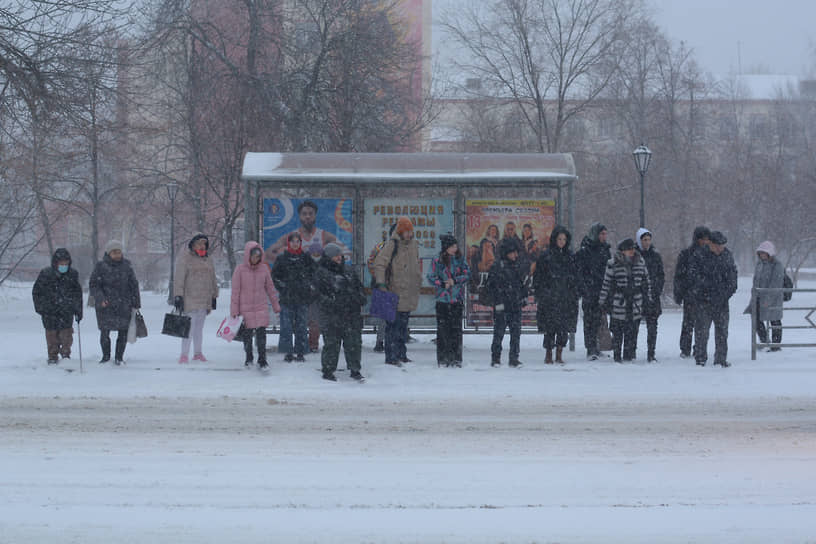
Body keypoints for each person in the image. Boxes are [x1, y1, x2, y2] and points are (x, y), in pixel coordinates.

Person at [313, 243, 366, 382]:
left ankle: (355, 370)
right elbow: (317, 295)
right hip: (332, 315)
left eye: (340, 255)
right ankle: (328, 371)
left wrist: (358, 298)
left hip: (351, 314)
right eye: (335, 255)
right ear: (329, 257)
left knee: (353, 343)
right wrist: (332, 302)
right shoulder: (321, 272)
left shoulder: (348, 270)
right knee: (331, 344)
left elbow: (359, 289)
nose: (338, 257)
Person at [373, 216, 421, 367]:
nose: (409, 234)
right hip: (394, 291)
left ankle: (401, 354)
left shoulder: (414, 245)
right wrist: (381, 284)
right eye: (406, 231)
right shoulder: (392, 244)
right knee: (393, 326)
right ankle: (391, 356)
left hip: (409, 291)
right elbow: (379, 264)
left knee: (403, 325)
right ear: (400, 231)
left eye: (410, 231)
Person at [689, 231, 737, 367]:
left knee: (722, 332)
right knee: (702, 332)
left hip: (722, 302)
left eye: (722, 246)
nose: (720, 248)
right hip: (704, 301)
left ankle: (720, 359)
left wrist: (726, 293)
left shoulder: (727, 256)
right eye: (718, 246)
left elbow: (733, 278)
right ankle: (700, 358)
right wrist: (705, 292)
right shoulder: (699, 256)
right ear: (711, 244)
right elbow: (693, 277)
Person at [598, 238, 651, 363]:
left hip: (635, 301)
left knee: (633, 331)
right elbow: (606, 284)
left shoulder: (640, 261)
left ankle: (630, 355)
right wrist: (602, 301)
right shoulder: (612, 263)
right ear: (622, 251)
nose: (632, 251)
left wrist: (648, 299)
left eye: (633, 248)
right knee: (617, 331)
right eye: (629, 249)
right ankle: (617, 355)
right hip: (619, 301)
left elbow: (646, 282)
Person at [89, 240, 141, 365]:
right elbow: (94, 285)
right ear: (109, 253)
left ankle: (119, 357)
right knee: (105, 332)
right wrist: (101, 299)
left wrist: (136, 302)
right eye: (114, 252)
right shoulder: (100, 267)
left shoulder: (127, 266)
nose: (117, 254)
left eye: (119, 252)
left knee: (123, 332)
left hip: (124, 305)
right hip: (105, 306)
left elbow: (134, 284)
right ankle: (106, 357)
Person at [533, 226, 579, 365]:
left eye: (564, 239)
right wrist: (542, 292)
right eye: (559, 239)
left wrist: (574, 291)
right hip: (550, 298)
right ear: (554, 239)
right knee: (550, 327)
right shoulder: (546, 256)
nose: (562, 242)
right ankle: (548, 353)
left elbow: (575, 276)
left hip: (565, 298)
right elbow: (538, 277)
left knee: (563, 328)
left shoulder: (570, 257)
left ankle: (559, 352)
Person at [230, 241, 280, 369]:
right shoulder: (239, 270)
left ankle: (262, 359)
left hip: (260, 307)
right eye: (253, 256)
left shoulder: (263, 269)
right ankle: (249, 358)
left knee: (261, 335)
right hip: (245, 309)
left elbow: (270, 288)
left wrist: (276, 305)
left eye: (258, 256)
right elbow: (235, 292)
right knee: (247, 336)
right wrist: (234, 311)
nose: (256, 259)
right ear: (248, 255)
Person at [32, 248, 83, 365]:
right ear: (55, 263)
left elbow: (77, 294)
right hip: (49, 312)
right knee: (52, 337)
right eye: (61, 263)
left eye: (66, 263)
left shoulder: (73, 275)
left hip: (66, 311)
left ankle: (66, 356)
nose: (64, 266)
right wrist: (41, 308)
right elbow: (36, 292)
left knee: (67, 337)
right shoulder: (45, 274)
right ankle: (52, 357)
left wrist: (78, 311)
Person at [173, 233, 219, 364]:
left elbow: (213, 278)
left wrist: (214, 295)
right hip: (190, 298)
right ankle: (184, 354)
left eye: (204, 243)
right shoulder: (185, 258)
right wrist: (178, 296)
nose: (202, 245)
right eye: (199, 243)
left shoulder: (208, 259)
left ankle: (198, 353)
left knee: (199, 329)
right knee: (189, 328)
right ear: (193, 244)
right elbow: (179, 278)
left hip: (204, 299)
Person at [272, 232, 316, 362]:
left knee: (301, 326)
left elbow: (314, 275)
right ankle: (288, 352)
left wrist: (308, 287)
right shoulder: (282, 258)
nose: (295, 244)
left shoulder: (306, 258)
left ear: (301, 243)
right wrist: (283, 287)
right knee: (286, 327)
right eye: (293, 241)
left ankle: (301, 352)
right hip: (286, 299)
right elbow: (275, 277)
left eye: (298, 241)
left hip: (302, 299)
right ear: (288, 243)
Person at [427, 233, 470, 368]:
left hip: (456, 300)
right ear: (446, 247)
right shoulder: (437, 261)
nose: (454, 249)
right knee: (443, 330)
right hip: (442, 301)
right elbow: (430, 276)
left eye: (455, 246)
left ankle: (456, 358)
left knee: (456, 331)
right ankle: (443, 358)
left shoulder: (460, 259)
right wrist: (441, 283)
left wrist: (455, 280)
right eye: (452, 246)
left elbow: (467, 274)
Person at [487, 238, 526, 368]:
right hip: (501, 305)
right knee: (499, 332)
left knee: (516, 333)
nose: (515, 255)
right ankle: (496, 358)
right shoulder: (497, 266)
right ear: (506, 253)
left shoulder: (517, 265)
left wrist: (523, 297)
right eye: (513, 253)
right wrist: (498, 300)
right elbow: (490, 286)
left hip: (515, 304)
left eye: (516, 252)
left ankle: (514, 358)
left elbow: (521, 285)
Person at [575, 222, 611, 360]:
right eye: (602, 234)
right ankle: (590, 348)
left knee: (598, 320)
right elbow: (580, 271)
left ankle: (596, 346)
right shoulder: (586, 250)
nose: (604, 236)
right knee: (589, 320)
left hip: (601, 290)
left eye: (605, 234)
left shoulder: (605, 250)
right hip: (590, 291)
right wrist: (584, 288)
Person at [673, 226, 711, 359]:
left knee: (701, 323)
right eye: (703, 239)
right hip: (690, 294)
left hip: (703, 294)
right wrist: (679, 292)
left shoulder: (709, 255)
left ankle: (698, 347)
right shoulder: (687, 254)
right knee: (688, 323)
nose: (705, 242)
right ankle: (685, 348)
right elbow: (679, 275)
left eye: (707, 239)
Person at [367, 224, 397, 353]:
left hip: (396, 285)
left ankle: (395, 341)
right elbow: (371, 263)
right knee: (384, 316)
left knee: (396, 315)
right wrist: (381, 280)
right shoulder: (381, 247)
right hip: (383, 286)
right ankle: (381, 341)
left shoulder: (405, 249)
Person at [636, 228, 665, 362]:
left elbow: (660, 275)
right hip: (637, 296)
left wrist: (656, 290)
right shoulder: (634, 255)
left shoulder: (655, 255)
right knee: (633, 326)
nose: (647, 242)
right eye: (644, 240)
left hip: (652, 296)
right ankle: (630, 352)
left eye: (648, 240)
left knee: (652, 326)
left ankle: (651, 353)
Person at [751, 240, 784, 352]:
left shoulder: (777, 265)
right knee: (755, 319)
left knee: (774, 320)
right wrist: (754, 295)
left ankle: (775, 345)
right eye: (760, 253)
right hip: (758, 297)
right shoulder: (759, 264)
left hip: (773, 298)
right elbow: (756, 279)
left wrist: (768, 299)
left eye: (764, 253)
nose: (762, 255)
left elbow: (776, 283)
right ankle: (764, 340)